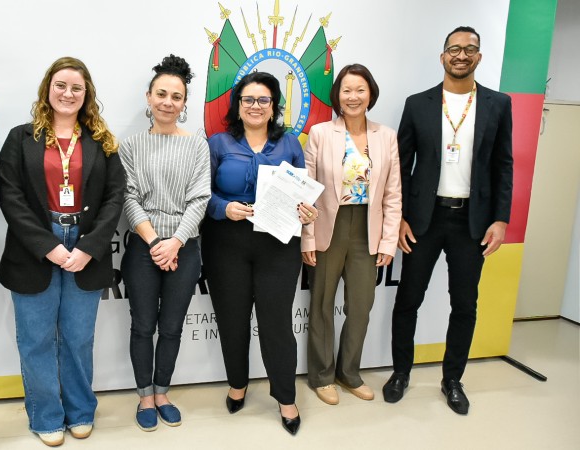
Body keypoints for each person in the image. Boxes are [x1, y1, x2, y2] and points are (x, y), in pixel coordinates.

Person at [383, 26, 513, 415]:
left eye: (469, 49)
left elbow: (504, 164)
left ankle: (452, 379)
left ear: (479, 57)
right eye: (454, 49)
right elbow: (400, 166)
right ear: (443, 57)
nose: (461, 55)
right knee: (408, 299)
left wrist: (501, 219)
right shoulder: (418, 103)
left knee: (465, 305)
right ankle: (401, 373)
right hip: (424, 219)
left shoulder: (498, 104)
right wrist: (400, 217)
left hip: (472, 222)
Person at [0, 57, 125, 446]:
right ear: (47, 90)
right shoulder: (20, 138)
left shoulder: (102, 141)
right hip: (35, 247)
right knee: (36, 340)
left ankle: (80, 411)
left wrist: (89, 247)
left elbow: (115, 197)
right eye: (61, 86)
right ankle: (46, 416)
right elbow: (10, 197)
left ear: (87, 95)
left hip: (86, 247)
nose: (68, 94)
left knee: (78, 338)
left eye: (76, 88)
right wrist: (48, 245)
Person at [202, 72, 317, 436]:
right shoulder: (218, 143)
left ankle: (286, 397)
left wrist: (306, 211)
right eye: (248, 99)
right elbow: (202, 194)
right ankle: (237, 384)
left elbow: (301, 194)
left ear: (273, 106)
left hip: (278, 244)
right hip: (226, 242)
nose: (255, 106)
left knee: (277, 324)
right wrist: (224, 208)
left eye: (263, 100)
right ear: (238, 105)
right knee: (232, 320)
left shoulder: (290, 144)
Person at [119, 55, 211, 432]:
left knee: (171, 326)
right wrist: (157, 242)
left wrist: (175, 243)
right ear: (149, 97)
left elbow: (200, 199)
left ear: (184, 102)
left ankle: (162, 392)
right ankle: (144, 395)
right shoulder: (130, 146)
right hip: (144, 247)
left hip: (184, 248)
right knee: (143, 325)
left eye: (176, 96)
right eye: (161, 94)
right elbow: (128, 198)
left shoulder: (197, 146)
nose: (168, 102)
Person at [302, 64, 401, 406]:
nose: (353, 96)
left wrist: (388, 241)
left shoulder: (386, 136)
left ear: (370, 94)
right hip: (328, 226)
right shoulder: (320, 133)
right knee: (322, 305)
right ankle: (322, 375)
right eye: (346, 90)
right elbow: (307, 191)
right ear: (337, 95)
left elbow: (393, 193)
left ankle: (349, 372)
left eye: (360, 90)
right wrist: (308, 238)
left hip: (367, 230)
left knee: (360, 306)